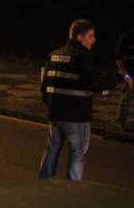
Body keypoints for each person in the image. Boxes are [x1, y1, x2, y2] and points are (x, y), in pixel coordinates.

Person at [38, 19, 122, 180]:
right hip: (77, 116)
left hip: (55, 114)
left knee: (52, 150)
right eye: (90, 36)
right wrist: (116, 78)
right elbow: (95, 83)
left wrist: (50, 104)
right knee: (77, 154)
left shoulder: (55, 55)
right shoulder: (81, 57)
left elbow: (44, 86)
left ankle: (43, 184)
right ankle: (73, 190)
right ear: (79, 37)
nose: (94, 40)